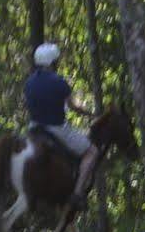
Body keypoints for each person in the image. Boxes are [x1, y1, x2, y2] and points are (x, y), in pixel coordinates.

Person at [23, 43, 99, 178]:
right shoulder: (59, 81)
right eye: (56, 61)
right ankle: (78, 191)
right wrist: (90, 114)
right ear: (52, 62)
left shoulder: (29, 82)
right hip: (56, 129)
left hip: (33, 127)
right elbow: (73, 107)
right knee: (91, 152)